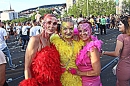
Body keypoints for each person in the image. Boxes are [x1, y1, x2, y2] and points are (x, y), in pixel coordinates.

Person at [19, 14, 62, 86]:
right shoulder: (35, 40)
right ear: (43, 24)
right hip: (39, 83)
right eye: (49, 22)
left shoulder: (51, 41)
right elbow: (27, 68)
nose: (51, 26)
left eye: (54, 23)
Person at [50, 18, 84, 86]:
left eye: (71, 29)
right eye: (65, 29)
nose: (68, 32)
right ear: (61, 30)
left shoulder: (79, 41)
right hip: (59, 79)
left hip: (76, 79)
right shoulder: (54, 41)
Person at [69, 21, 103, 86]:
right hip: (80, 81)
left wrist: (79, 73)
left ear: (91, 30)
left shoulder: (93, 49)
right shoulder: (80, 44)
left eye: (85, 30)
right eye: (80, 31)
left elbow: (97, 72)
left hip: (90, 83)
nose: (82, 33)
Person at [102, 16, 130, 86]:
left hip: (123, 68)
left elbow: (116, 53)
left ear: (126, 26)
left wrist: (104, 52)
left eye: (120, 24)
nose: (118, 26)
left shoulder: (121, 37)